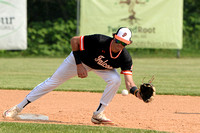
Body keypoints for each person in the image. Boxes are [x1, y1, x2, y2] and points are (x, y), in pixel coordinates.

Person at [3, 27, 141, 125]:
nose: (119, 45)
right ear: (114, 37)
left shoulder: (125, 58)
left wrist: (137, 93)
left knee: (115, 79)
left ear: (128, 44)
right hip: (79, 60)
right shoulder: (99, 40)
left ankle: (98, 114)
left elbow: (129, 83)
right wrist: (79, 65)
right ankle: (17, 108)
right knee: (52, 82)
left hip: (100, 68)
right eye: (117, 40)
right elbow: (74, 41)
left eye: (124, 43)